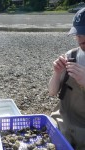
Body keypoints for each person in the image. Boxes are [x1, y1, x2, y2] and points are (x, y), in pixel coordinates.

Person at [48, 8, 85, 150]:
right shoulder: (71, 56)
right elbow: (52, 92)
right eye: (78, 34)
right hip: (62, 124)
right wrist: (56, 73)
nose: (80, 39)